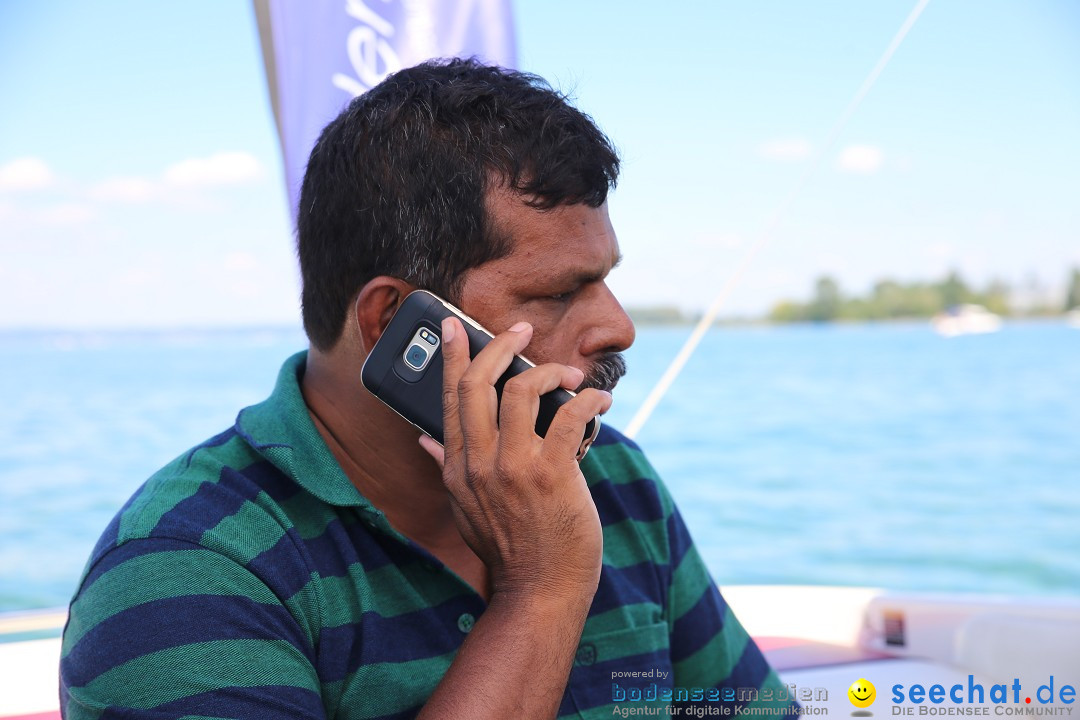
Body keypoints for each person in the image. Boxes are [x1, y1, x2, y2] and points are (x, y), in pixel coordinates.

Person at [60, 59, 798, 719]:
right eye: (558, 292)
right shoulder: (188, 569)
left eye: (605, 278)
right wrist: (541, 593)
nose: (619, 327)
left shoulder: (614, 480)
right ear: (395, 326)